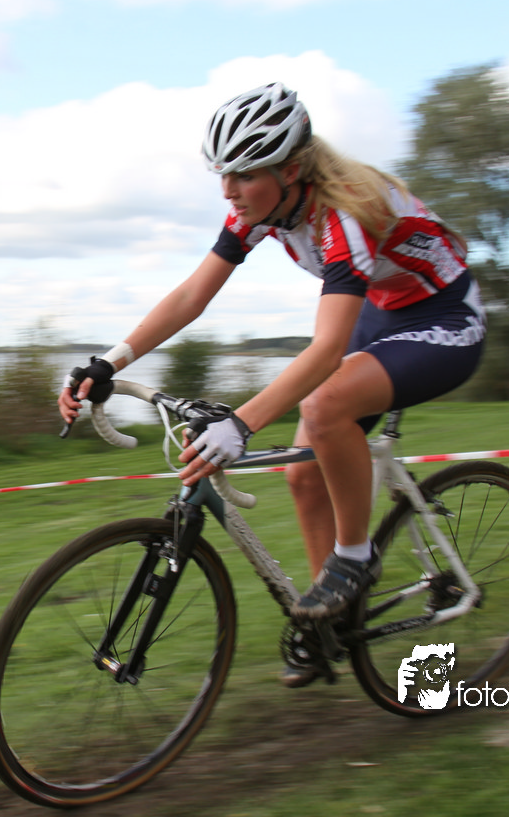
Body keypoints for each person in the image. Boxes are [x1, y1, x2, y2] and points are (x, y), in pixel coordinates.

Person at [58, 82, 486, 686]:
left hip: (444, 319)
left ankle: (355, 559)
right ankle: (328, 621)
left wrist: (242, 423)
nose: (228, 191)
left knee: (325, 404)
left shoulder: (344, 215)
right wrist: (110, 362)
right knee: (304, 471)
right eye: (222, 174)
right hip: (384, 311)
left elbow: (326, 350)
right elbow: (192, 294)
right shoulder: (263, 209)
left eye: (243, 175)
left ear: (291, 170)